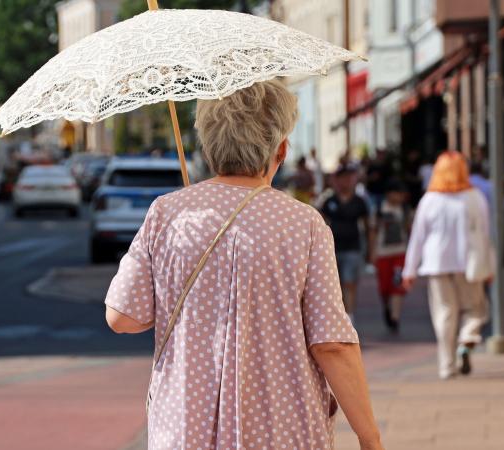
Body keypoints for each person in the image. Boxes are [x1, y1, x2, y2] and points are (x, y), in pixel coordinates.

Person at [103, 80, 382, 450]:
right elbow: (332, 345)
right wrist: (369, 437)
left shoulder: (167, 213)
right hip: (282, 431)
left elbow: (122, 317)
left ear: (209, 145)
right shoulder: (303, 224)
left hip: (185, 429)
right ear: (280, 149)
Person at [403, 151, 492, 379]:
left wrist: (409, 270)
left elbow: (418, 237)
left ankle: (446, 365)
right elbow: (485, 234)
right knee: (475, 309)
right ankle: (467, 338)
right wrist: (489, 265)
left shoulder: (429, 200)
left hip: (437, 264)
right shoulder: (475, 197)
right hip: (468, 264)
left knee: (444, 314)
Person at [320, 164, 372, 323]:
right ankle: (340, 313)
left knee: (349, 281)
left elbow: (368, 225)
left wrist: (371, 248)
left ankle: (349, 315)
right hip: (332, 248)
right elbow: (320, 223)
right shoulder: (329, 201)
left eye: (349, 178)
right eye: (342, 178)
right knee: (336, 283)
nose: (345, 182)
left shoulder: (359, 201)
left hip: (353, 247)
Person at [370, 180, 412, 332]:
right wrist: (372, 252)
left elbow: (409, 230)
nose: (400, 197)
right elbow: (373, 231)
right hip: (382, 254)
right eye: (397, 194)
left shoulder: (405, 210)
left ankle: (395, 317)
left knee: (397, 285)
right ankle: (387, 308)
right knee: (384, 288)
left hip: (400, 253)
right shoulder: (379, 210)